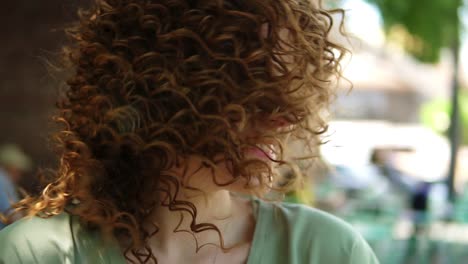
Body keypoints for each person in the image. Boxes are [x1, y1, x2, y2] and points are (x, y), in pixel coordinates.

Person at [0, 0, 379, 263]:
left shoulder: (329, 252)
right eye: (250, 94)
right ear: (162, 91)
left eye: (288, 97)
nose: (283, 121)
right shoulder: (32, 254)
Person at [0, 144, 31, 229]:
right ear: (10, 166)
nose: (19, 176)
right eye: (18, 171)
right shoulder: (3, 179)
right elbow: (13, 217)